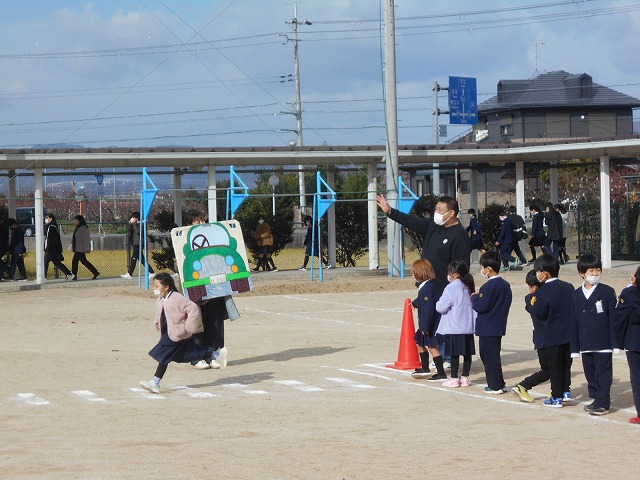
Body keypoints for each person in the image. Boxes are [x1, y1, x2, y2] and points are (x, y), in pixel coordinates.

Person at [376, 194, 470, 295]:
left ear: (451, 213)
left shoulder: (460, 235)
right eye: (436, 209)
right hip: (426, 285)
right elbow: (412, 221)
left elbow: (462, 267)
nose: (436, 212)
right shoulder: (433, 225)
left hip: (445, 290)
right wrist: (390, 211)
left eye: (440, 210)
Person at [139, 273, 217, 394]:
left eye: (156, 286)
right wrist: (157, 323)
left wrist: (189, 326)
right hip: (167, 333)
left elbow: (193, 308)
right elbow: (158, 314)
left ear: (166, 287)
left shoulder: (177, 297)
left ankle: (155, 382)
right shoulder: (160, 299)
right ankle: (211, 353)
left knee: (163, 354)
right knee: (181, 357)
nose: (154, 288)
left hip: (177, 333)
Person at [182, 209, 231, 371]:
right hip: (195, 289)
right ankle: (196, 356)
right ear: (188, 225)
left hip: (214, 288)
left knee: (214, 320)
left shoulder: (214, 240)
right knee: (197, 322)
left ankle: (212, 353)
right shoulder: (182, 241)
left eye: (203, 221)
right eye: (197, 222)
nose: (201, 224)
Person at [570, 253, 617, 416]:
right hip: (586, 343)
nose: (595, 274)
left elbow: (613, 319)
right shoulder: (575, 295)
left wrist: (615, 344)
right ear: (582, 273)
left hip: (603, 343)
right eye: (591, 271)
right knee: (590, 373)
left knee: (603, 373)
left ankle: (603, 403)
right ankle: (597, 398)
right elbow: (573, 322)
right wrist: (575, 348)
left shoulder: (607, 292)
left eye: (598, 270)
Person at [528, 254, 575, 407]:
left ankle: (556, 397)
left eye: (538, 271)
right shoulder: (568, 287)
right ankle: (565, 391)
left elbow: (540, 313)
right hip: (568, 334)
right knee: (566, 364)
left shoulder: (542, 291)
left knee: (555, 367)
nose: (537, 275)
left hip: (552, 336)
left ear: (545, 273)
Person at [472, 250, 513, 394]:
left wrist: (474, 297)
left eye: (483, 267)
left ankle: (494, 385)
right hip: (498, 325)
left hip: (487, 326)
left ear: (488, 269)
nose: (482, 270)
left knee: (488, 356)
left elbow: (480, 306)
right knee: (493, 355)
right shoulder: (505, 285)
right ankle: (499, 382)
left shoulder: (488, 286)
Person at [435, 260, 476, 388]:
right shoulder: (468, 286)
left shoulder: (451, 287)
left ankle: (453, 378)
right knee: (467, 353)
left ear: (455, 274)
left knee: (454, 354)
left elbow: (441, 307)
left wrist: (438, 303)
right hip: (467, 327)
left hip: (454, 327)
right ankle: (465, 378)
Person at [511, 270, 548, 403]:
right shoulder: (533, 298)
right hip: (544, 339)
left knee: (553, 369)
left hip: (540, 338)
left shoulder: (530, 298)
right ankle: (523, 386)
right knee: (548, 370)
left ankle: (558, 391)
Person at [410, 258, 447, 381]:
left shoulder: (426, 288)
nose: (412, 275)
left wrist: (425, 327)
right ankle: (425, 367)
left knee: (432, 347)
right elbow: (423, 299)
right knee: (419, 342)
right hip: (428, 324)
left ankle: (441, 372)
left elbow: (428, 309)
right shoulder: (428, 286)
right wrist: (415, 303)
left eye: (413, 272)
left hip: (431, 324)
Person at [613, 265, 640, 424]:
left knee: (637, 378)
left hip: (635, 342)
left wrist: (617, 342)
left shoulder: (629, 293)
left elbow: (619, 319)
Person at [121, 211, 155, 280]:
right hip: (136, 243)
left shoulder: (141, 224)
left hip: (139, 243)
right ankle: (151, 272)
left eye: (133, 217)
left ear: (137, 218)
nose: (132, 218)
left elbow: (138, 232)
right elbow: (131, 231)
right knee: (141, 259)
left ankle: (129, 274)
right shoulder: (136, 224)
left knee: (133, 258)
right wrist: (132, 224)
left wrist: (134, 224)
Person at [44, 213, 73, 280]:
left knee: (45, 262)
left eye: (47, 218)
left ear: (51, 219)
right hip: (54, 249)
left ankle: (43, 276)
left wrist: (47, 248)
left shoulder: (51, 227)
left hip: (50, 249)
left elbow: (49, 239)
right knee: (56, 262)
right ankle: (69, 273)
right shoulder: (53, 227)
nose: (46, 220)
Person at [71, 214, 100, 280]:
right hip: (78, 248)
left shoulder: (83, 228)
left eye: (75, 220)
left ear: (79, 220)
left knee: (75, 261)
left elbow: (86, 239)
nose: (74, 221)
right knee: (84, 261)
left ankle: (74, 276)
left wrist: (86, 248)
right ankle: (95, 272)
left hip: (80, 249)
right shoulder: (78, 228)